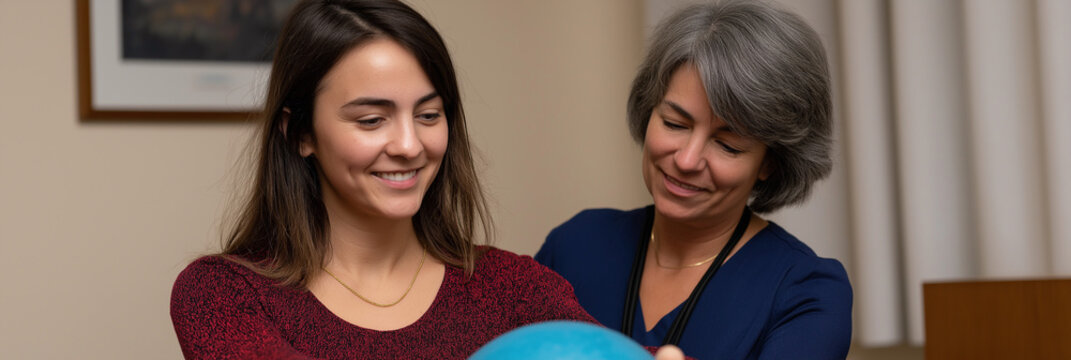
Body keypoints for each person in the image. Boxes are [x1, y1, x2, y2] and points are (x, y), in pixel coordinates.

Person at [169, 1, 619, 359]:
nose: (409, 144)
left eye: (428, 115)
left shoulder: (512, 286)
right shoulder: (221, 294)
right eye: (371, 120)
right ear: (300, 134)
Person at [536, 1, 852, 359]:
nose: (686, 160)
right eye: (674, 124)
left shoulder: (805, 292)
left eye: (728, 145)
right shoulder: (574, 247)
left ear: (771, 164)